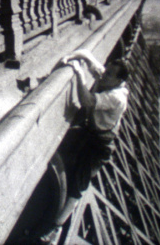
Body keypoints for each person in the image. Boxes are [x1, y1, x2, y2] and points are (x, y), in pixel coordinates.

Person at [41, 49, 129, 243]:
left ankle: (55, 229)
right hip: (90, 132)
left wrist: (79, 74)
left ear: (119, 81)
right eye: (105, 71)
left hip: (101, 145)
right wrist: (70, 57)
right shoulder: (109, 79)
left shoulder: (117, 97)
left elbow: (87, 101)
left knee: (79, 184)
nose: (103, 75)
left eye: (108, 75)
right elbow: (86, 54)